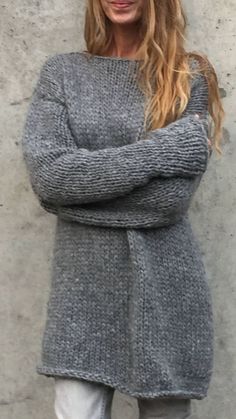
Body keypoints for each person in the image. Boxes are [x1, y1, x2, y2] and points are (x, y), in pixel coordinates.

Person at [21, 0, 225, 418]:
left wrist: (76, 198)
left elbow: (168, 202)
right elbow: (50, 178)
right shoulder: (63, 73)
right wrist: (164, 150)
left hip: (165, 290)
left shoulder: (187, 75)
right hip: (80, 296)